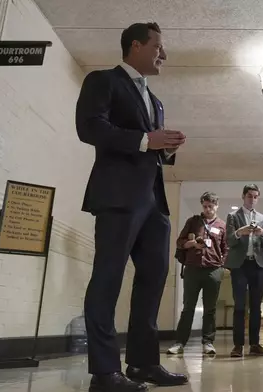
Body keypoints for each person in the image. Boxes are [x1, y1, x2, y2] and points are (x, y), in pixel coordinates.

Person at [76, 22, 188, 392]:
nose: (164, 54)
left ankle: (142, 363)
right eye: (158, 46)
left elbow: (150, 149)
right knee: (107, 278)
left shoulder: (154, 100)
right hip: (118, 195)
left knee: (154, 279)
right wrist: (146, 139)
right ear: (136, 45)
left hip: (154, 202)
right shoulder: (103, 80)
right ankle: (105, 373)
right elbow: (90, 127)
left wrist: (165, 148)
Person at [167, 192, 227, 356]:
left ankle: (208, 343)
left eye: (211, 206)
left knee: (210, 309)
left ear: (217, 206)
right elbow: (179, 242)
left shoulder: (222, 225)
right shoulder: (193, 222)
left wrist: (221, 265)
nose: (208, 209)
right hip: (193, 268)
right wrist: (191, 243)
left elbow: (225, 248)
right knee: (188, 308)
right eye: (205, 206)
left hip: (213, 270)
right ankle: (180, 342)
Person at [224, 184, 263, 358]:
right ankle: (238, 346)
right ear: (243, 197)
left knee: (256, 306)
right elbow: (229, 240)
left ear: (257, 198)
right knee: (239, 306)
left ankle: (254, 344)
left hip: (258, 265)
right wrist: (239, 232)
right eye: (249, 196)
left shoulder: (262, 218)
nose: (252, 199)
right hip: (240, 265)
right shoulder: (233, 216)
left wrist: (261, 233)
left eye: (255, 196)